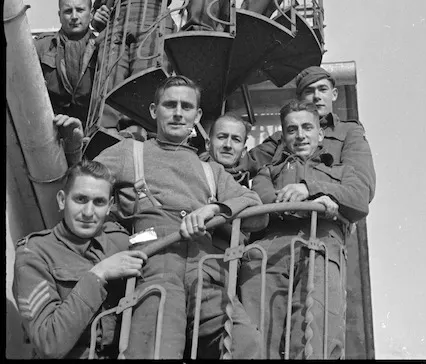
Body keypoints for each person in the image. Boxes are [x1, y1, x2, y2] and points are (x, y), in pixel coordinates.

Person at [94, 75, 266, 359]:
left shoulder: (211, 170)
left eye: (186, 107)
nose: (177, 113)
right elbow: (85, 184)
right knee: (155, 348)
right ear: (153, 111)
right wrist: (116, 221)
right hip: (156, 269)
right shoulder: (129, 152)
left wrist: (215, 209)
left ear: (196, 115)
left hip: (206, 273)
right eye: (169, 105)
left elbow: (256, 211)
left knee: (246, 346)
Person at [239, 99, 370, 359]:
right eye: (291, 130)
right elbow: (262, 200)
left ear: (320, 133)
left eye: (307, 128)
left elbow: (359, 199)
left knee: (314, 334)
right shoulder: (267, 171)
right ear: (284, 136)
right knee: (260, 336)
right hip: (268, 255)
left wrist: (311, 188)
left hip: (320, 249)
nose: (300, 135)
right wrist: (315, 202)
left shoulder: (343, 171)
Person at [12, 159, 147, 359]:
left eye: (99, 202)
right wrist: (98, 275)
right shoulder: (34, 253)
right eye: (80, 199)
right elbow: (48, 343)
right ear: (61, 200)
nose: (88, 212)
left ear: (109, 206)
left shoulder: (120, 241)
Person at [250, 65, 376, 204]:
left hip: (329, 218)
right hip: (282, 215)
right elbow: (242, 165)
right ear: (299, 98)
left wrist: (311, 189)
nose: (317, 97)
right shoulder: (281, 138)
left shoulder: (349, 132)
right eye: (309, 91)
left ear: (334, 94)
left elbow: (362, 189)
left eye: (322, 89)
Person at [34, 0, 98, 126]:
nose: (74, 16)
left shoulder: (103, 48)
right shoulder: (41, 47)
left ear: (91, 13)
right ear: (59, 15)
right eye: (68, 11)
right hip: (52, 129)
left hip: (90, 131)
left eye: (80, 10)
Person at [199, 111, 259, 188]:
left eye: (236, 139)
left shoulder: (248, 184)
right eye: (222, 137)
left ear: (243, 151)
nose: (228, 145)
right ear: (208, 144)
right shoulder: (193, 173)